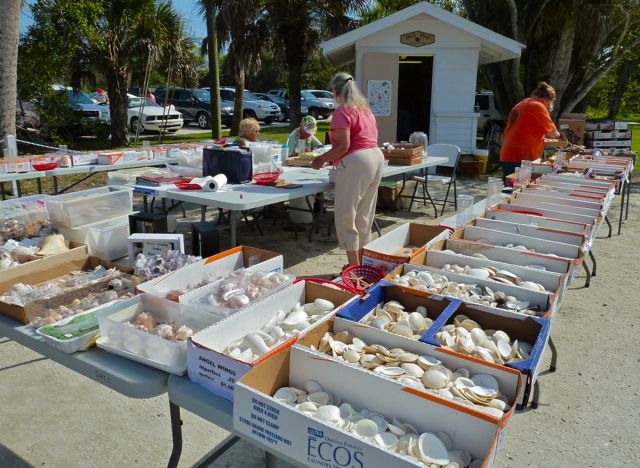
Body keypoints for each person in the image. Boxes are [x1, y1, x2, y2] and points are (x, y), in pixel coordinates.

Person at [311, 72, 384, 267]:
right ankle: (360, 264)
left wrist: (321, 160)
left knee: (346, 215)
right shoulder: (366, 111)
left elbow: (343, 146)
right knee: (364, 215)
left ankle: (353, 267)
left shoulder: (342, 112)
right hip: (376, 157)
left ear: (335, 91)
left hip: (358, 161)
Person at [500, 81, 568, 180]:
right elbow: (552, 133)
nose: (547, 107)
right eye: (548, 104)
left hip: (509, 153)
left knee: (509, 187)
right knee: (517, 189)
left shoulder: (522, 104)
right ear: (546, 100)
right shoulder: (537, 106)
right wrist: (560, 136)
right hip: (521, 156)